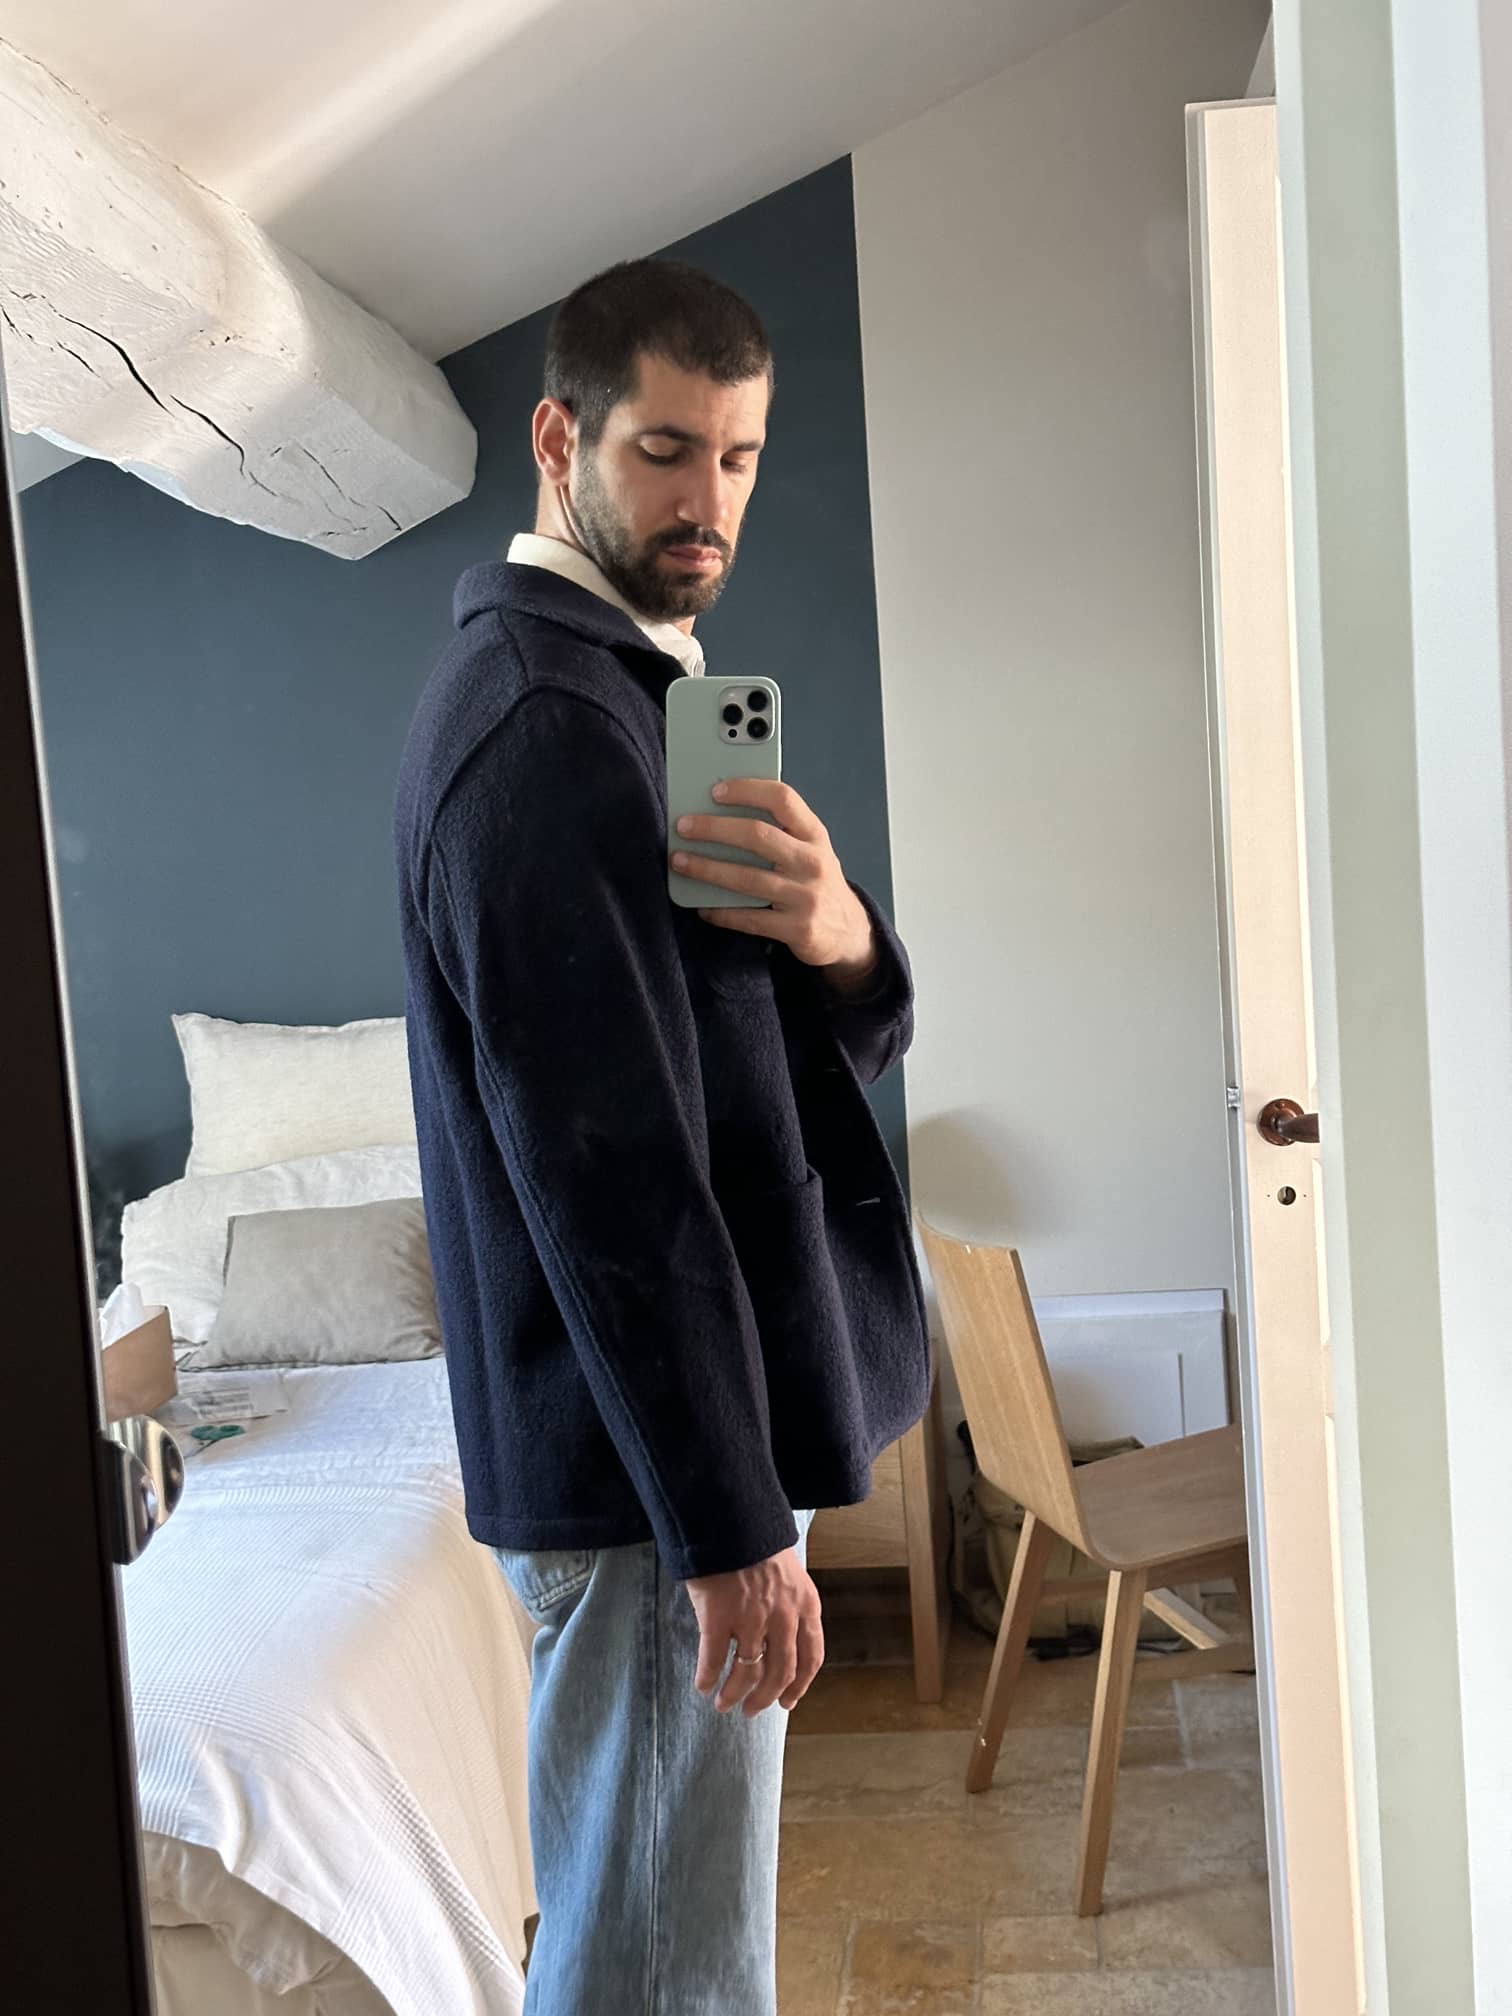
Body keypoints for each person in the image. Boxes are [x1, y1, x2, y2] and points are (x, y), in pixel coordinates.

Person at [393, 258, 930, 2014]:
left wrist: (838, 936)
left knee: (657, 1950)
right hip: (645, 1477)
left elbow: (752, 1066)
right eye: (667, 452)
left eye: (741, 458)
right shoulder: (548, 730)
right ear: (561, 443)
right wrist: (724, 1522)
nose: (711, 503)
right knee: (656, 1979)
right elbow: (610, 1183)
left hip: (656, 1457)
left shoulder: (627, 696)